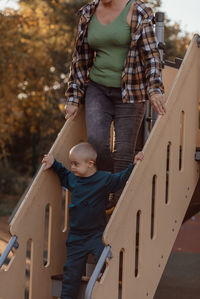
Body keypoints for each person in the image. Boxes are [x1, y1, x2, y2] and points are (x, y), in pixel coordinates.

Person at [64, 0, 165, 206]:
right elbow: (80, 58)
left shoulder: (138, 11)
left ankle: (119, 206)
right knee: (97, 144)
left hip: (131, 91)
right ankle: (108, 191)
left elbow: (152, 56)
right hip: (97, 88)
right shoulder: (88, 12)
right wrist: (73, 98)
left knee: (124, 151)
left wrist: (154, 89)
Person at [42, 142, 144, 299]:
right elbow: (63, 173)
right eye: (72, 163)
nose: (73, 167)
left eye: (76, 164)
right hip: (76, 237)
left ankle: (102, 284)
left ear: (90, 164)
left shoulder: (104, 179)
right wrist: (53, 162)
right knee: (71, 274)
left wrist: (134, 164)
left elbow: (121, 179)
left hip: (96, 234)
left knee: (104, 257)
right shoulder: (73, 179)